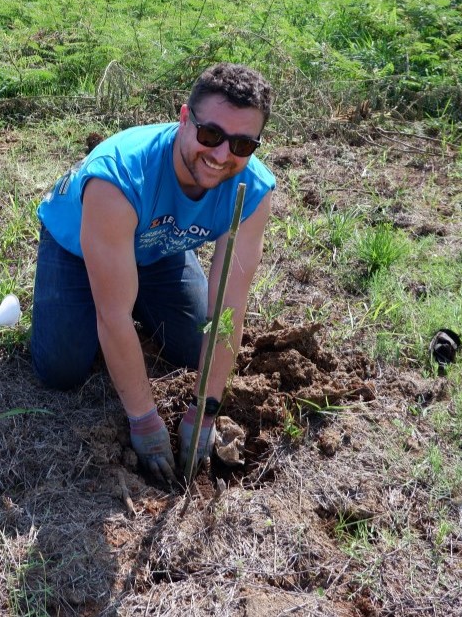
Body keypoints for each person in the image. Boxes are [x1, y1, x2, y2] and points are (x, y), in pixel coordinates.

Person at [29, 63, 277, 482]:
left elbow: (229, 308)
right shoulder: (120, 176)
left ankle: (139, 284)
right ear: (184, 119)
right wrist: (143, 420)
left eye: (241, 144)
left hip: (160, 246)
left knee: (192, 345)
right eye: (211, 134)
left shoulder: (251, 191)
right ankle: (107, 289)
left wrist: (206, 408)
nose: (221, 155)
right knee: (61, 369)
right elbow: (113, 315)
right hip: (78, 247)